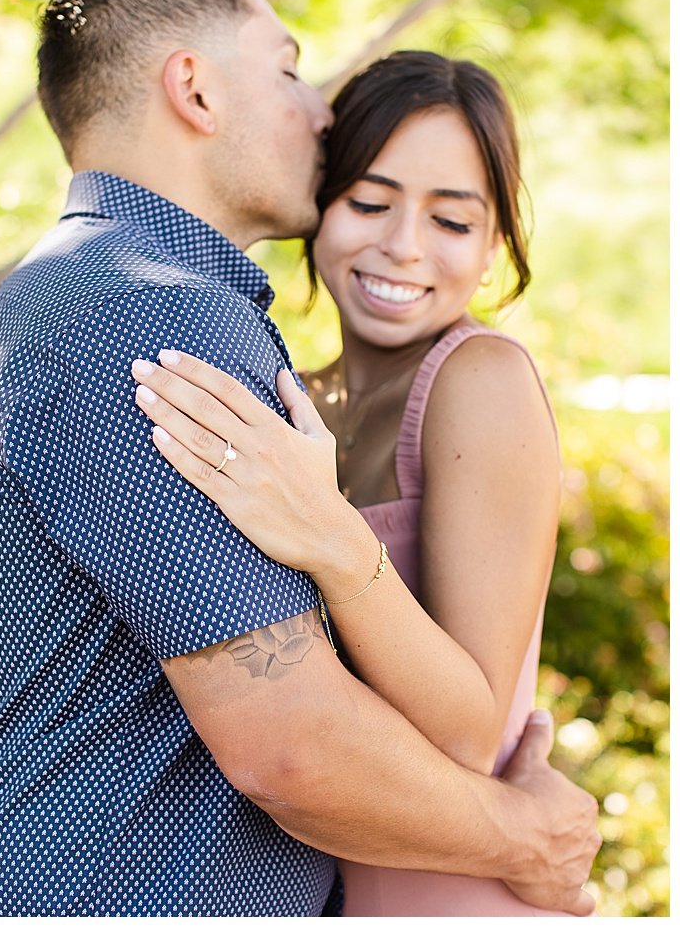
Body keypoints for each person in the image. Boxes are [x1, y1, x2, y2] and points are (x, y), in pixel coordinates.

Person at [0, 0, 598, 916]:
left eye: (454, 219)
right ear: (195, 91)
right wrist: (531, 839)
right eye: (287, 69)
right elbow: (291, 746)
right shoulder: (146, 310)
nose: (320, 110)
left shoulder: (83, 295)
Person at [129, 51, 569, 914]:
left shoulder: (480, 380)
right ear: (319, 208)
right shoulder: (299, 396)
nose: (402, 246)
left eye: (452, 221)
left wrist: (331, 537)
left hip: (450, 889)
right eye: (369, 202)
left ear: (493, 246)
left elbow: (471, 735)